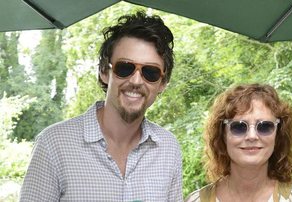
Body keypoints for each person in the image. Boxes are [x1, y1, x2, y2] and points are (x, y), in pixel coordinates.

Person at [20, 11, 182, 201]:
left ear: (162, 83)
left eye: (150, 72)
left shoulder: (168, 148)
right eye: (125, 68)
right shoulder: (54, 144)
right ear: (104, 71)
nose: (136, 80)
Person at [185, 84, 292, 202]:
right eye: (239, 127)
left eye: (264, 126)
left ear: (278, 135)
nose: (252, 136)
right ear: (223, 135)